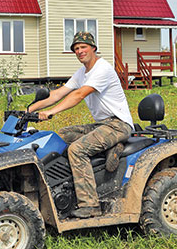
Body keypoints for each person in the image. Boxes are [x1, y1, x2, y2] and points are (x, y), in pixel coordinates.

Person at [28, 31, 134, 218]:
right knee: (59, 136)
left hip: (119, 125)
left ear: (93, 48)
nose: (79, 51)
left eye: (83, 47)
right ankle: (61, 187)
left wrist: (52, 112)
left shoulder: (103, 69)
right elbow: (57, 94)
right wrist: (29, 110)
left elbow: (79, 95)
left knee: (77, 150)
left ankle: (90, 204)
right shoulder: (81, 73)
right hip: (102, 125)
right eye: (76, 49)